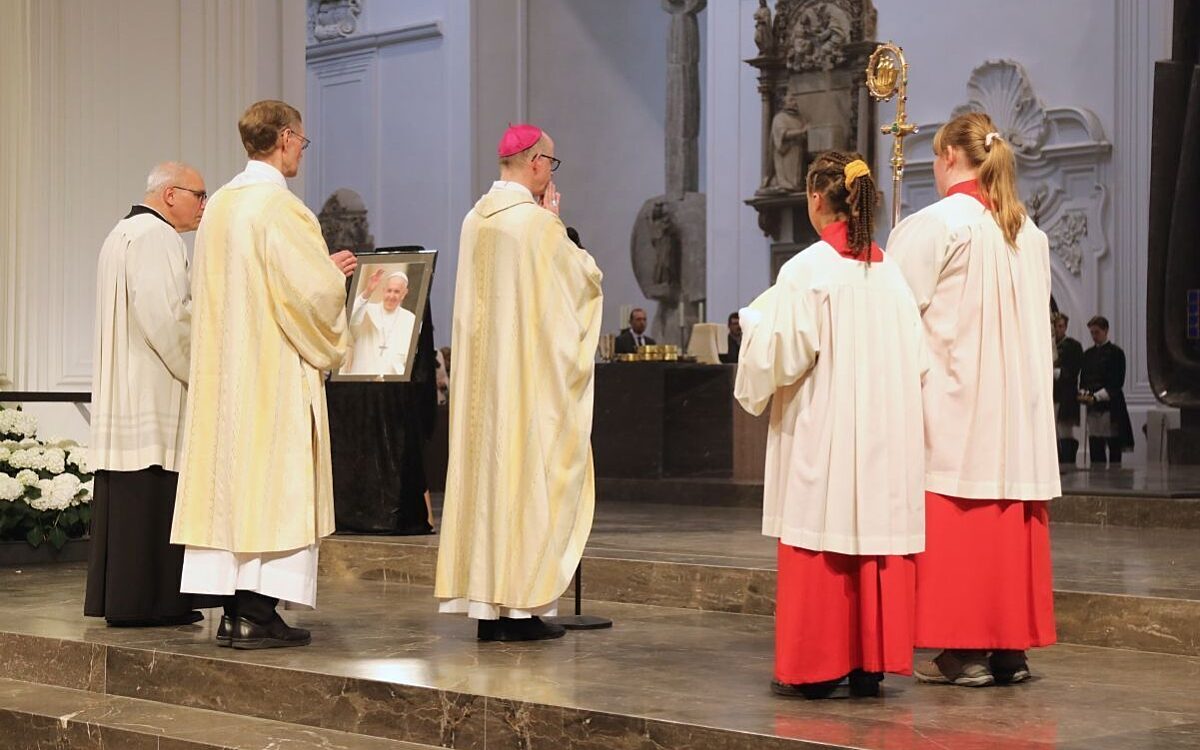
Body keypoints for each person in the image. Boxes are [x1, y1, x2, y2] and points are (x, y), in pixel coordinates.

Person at [736, 152, 926, 699]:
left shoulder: (806, 271)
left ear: (817, 198)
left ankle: (816, 669)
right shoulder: (892, 275)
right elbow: (917, 362)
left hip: (825, 431)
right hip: (881, 438)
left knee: (821, 536)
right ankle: (870, 662)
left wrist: (754, 328)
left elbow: (781, 355)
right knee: (869, 540)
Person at [170, 100, 358, 649]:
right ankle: (256, 610)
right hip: (271, 374)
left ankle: (234, 611)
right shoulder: (281, 209)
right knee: (276, 486)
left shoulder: (222, 206)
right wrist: (332, 275)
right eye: (301, 139)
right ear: (284, 138)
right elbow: (311, 296)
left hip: (225, 375)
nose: (302, 148)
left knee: (233, 488)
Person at [888, 112, 1059, 687]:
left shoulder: (936, 224)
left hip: (956, 400)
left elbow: (896, 316)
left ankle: (962, 649)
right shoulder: (1028, 233)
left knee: (959, 520)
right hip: (1016, 410)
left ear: (949, 159)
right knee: (1006, 521)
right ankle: (1009, 648)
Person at [435, 123, 603, 641]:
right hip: (526, 388)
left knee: (490, 488)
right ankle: (522, 608)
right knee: (529, 482)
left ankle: (489, 611)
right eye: (551, 164)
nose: (550, 173)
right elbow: (584, 282)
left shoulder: (473, 219)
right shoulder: (535, 225)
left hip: (483, 392)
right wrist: (558, 225)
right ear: (535, 163)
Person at [86, 161, 218, 627]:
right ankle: (152, 602)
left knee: (132, 497)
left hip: (129, 386)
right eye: (199, 195)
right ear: (169, 195)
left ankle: (128, 599)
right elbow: (167, 317)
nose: (205, 205)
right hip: (153, 388)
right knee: (154, 487)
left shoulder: (121, 233)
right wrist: (203, 370)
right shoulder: (157, 237)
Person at [1079, 315, 1134, 467]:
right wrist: (1084, 393)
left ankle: (1116, 481)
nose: (1094, 336)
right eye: (1092, 333)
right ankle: (1097, 478)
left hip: (1111, 406)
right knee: (1095, 444)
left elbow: (1117, 382)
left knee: (1114, 445)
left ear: (1106, 331)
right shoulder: (1088, 354)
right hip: (1093, 407)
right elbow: (1083, 378)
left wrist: (1098, 396)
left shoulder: (1116, 353)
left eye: (1097, 332)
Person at [346, 269, 417, 375]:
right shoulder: (367, 310)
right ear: (383, 290)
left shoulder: (410, 319)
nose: (391, 296)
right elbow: (350, 319)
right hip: (360, 378)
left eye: (397, 292)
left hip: (391, 383)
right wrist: (367, 292)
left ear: (404, 293)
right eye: (389, 290)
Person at [1053, 312, 1083, 464]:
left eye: (1060, 326)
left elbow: (1075, 369)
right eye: (1055, 326)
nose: (1057, 329)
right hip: (1052, 394)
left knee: (1065, 430)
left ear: (1065, 327)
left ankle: (1068, 462)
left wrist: (1060, 373)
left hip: (1066, 395)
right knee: (1053, 431)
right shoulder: (1047, 344)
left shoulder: (1073, 346)